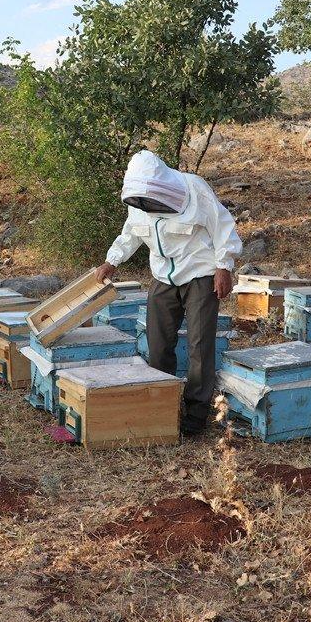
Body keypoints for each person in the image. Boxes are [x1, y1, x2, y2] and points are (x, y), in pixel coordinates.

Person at [94, 150, 242, 436]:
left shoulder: (194, 188)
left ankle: (196, 414)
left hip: (200, 273)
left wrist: (224, 267)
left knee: (200, 346)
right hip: (162, 277)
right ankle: (163, 405)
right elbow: (131, 233)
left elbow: (222, 226)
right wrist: (112, 260)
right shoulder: (138, 200)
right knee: (158, 343)